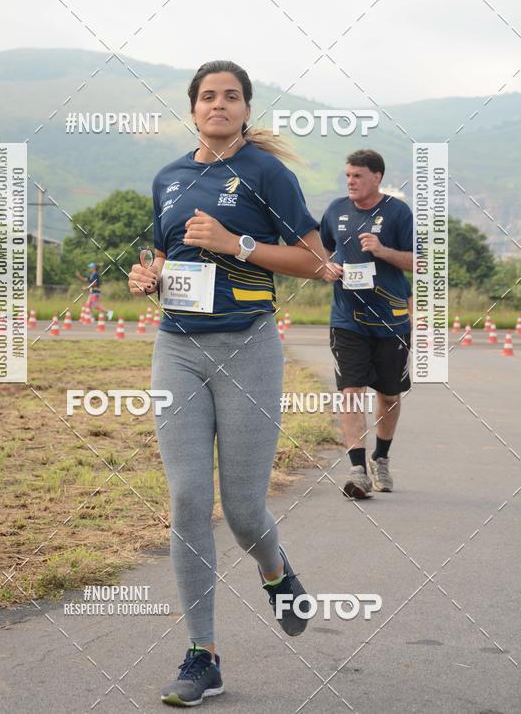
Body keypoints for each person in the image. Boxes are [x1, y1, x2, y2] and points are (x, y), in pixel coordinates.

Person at [128, 60, 323, 707]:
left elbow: (317, 264)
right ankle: (203, 655)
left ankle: (276, 570)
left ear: (245, 109)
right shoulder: (168, 178)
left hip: (248, 350)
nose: (218, 104)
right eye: (207, 96)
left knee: (242, 511)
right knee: (187, 499)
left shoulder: (269, 176)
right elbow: (166, 255)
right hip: (175, 350)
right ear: (193, 109)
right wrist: (148, 276)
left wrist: (238, 244)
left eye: (230, 96)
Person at [320, 149, 413, 499]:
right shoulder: (335, 210)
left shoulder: (397, 212)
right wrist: (325, 268)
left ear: (377, 177)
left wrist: (383, 250)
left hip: (390, 320)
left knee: (389, 395)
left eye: (357, 176)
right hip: (347, 319)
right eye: (347, 176)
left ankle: (381, 458)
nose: (350, 182)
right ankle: (357, 469)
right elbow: (321, 252)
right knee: (351, 392)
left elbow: (418, 261)